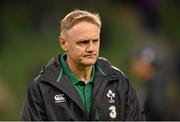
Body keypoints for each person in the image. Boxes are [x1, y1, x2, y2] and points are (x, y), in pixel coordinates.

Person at [20, 9, 144, 121]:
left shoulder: (118, 81)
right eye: (83, 42)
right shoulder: (42, 87)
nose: (91, 48)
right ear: (63, 43)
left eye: (95, 41)